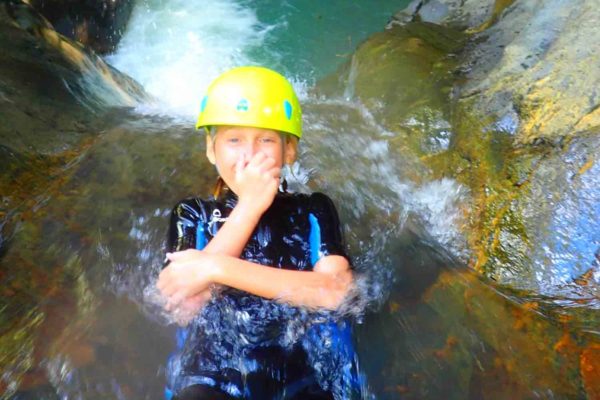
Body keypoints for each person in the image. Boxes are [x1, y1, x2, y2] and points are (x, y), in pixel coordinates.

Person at [157, 66, 361, 399]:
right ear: (211, 149)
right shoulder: (192, 213)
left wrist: (215, 268)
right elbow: (181, 304)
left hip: (301, 372)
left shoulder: (312, 208)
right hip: (211, 376)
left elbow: (335, 293)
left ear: (289, 150)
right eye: (234, 140)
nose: (249, 154)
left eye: (265, 140)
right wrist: (250, 206)